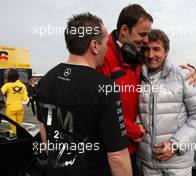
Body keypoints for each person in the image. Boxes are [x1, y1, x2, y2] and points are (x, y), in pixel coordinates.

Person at [96, 4, 196, 175]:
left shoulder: (136, 55)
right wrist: (132, 129)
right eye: (142, 35)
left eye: (148, 38)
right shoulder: (102, 56)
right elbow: (100, 109)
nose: (145, 43)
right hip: (114, 149)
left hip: (137, 152)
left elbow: (160, 63)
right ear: (124, 30)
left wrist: (186, 71)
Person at [36, 13, 132, 176]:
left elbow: (44, 129)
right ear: (94, 45)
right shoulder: (105, 87)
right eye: (105, 44)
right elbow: (117, 155)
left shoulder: (45, 80)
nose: (106, 49)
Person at [137, 29, 196, 176]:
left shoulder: (183, 76)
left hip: (177, 167)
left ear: (166, 51)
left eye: (156, 49)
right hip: (146, 166)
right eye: (146, 49)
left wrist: (175, 145)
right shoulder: (136, 77)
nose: (151, 55)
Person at [0, 69, 29, 135]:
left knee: (13, 127)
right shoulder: (23, 85)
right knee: (20, 124)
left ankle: (16, 139)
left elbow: (1, 93)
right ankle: (22, 137)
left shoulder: (7, 85)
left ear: (8, 76)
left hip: (10, 108)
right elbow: (25, 99)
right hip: (20, 108)